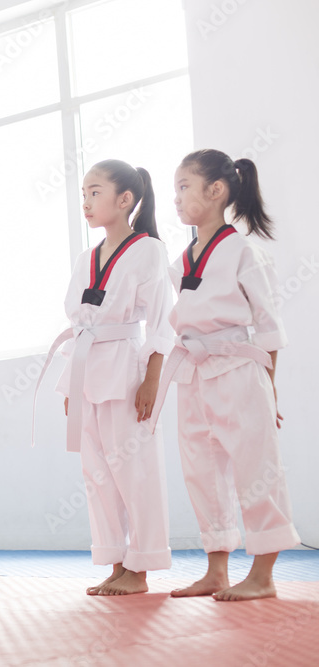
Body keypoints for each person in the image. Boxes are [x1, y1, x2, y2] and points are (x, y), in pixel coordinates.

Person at [151, 149, 300, 601]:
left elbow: (270, 328)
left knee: (256, 469)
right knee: (202, 470)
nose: (175, 198)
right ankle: (216, 570)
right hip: (194, 373)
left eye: (183, 187)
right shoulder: (183, 258)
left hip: (239, 370)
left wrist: (269, 389)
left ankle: (264, 575)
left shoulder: (243, 251)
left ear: (215, 191)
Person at [37, 159, 173, 595]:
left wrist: (153, 378)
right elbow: (81, 324)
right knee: (96, 472)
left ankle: (142, 567)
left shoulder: (149, 249)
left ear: (125, 199)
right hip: (86, 368)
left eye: (95, 192)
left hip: (125, 367)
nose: (86, 201)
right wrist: (70, 385)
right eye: (83, 193)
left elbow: (161, 320)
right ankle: (115, 561)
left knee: (134, 468)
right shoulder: (86, 257)